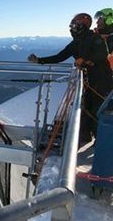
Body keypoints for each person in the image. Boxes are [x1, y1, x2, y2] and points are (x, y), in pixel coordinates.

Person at [28, 13, 113, 145]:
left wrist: (85, 60)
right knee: (86, 108)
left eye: (75, 25)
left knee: (97, 109)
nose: (72, 28)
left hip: (102, 80)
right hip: (89, 80)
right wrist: (39, 60)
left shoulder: (94, 38)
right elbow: (60, 56)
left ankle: (101, 140)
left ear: (83, 26)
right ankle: (86, 136)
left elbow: (102, 55)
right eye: (72, 26)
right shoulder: (75, 43)